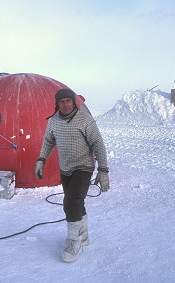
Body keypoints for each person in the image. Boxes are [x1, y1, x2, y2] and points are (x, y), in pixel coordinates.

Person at [35, 88, 110, 263]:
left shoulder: (85, 120)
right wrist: (41, 159)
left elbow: (97, 144)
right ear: (57, 104)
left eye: (68, 101)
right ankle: (83, 237)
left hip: (83, 166)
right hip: (65, 168)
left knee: (70, 203)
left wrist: (103, 169)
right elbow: (48, 141)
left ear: (73, 102)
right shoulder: (53, 121)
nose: (66, 104)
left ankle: (73, 241)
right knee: (77, 202)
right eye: (62, 101)